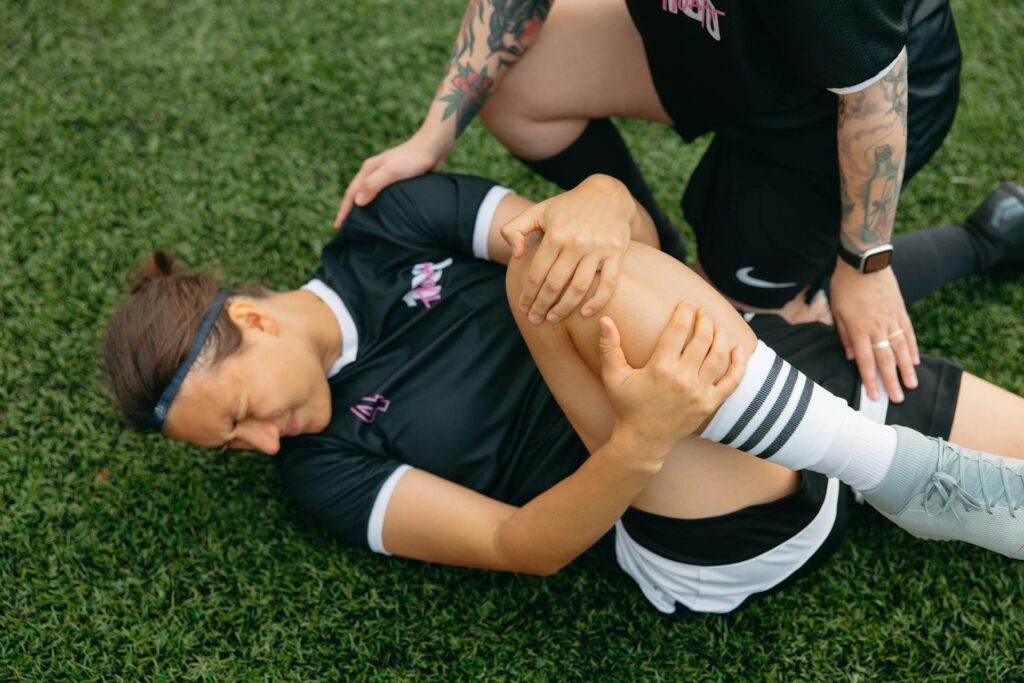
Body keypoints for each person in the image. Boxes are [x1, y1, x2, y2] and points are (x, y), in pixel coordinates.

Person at [104, 174, 1024, 614]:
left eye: (240, 415)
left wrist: (603, 195)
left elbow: (615, 246)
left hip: (752, 373)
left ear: (252, 322)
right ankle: (891, 468)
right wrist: (641, 440)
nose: (264, 444)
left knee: (556, 256)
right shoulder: (320, 469)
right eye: (233, 445)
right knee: (541, 275)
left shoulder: (387, 229)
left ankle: (981, 254)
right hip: (692, 510)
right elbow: (519, 545)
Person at [334, 0, 1024, 411]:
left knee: (730, 337)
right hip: (714, 45)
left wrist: (864, 263)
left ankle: (983, 238)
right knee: (518, 87)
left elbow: (874, 95)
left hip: (836, 109)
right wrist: (432, 135)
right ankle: (652, 247)